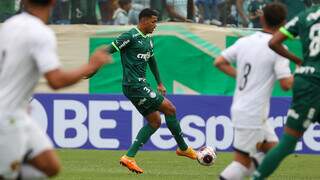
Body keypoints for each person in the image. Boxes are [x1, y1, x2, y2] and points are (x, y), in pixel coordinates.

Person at [0, 0, 112, 179]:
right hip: (7, 117)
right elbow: (56, 80)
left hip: (16, 111)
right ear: (54, 2)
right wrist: (92, 65)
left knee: (50, 166)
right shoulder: (41, 33)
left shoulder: (8, 26)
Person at [105, 8, 197, 174]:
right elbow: (108, 51)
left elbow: (152, 61)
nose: (156, 25)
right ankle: (183, 148)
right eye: (154, 21)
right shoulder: (130, 36)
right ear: (144, 20)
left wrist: (160, 83)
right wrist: (91, 68)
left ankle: (129, 157)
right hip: (135, 85)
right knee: (170, 109)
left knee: (155, 121)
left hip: (140, 85)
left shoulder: (148, 40)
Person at [214, 3, 293, 179]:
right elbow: (286, 84)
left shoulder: (244, 41)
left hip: (247, 110)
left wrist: (241, 76)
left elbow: (219, 61)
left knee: (273, 150)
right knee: (241, 162)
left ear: (262, 18)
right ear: (284, 23)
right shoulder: (279, 48)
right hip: (252, 112)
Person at [253, 4, 320, 180]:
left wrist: (298, 60)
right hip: (315, 85)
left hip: (305, 81)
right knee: (287, 143)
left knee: (287, 144)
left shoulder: (305, 16)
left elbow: (273, 42)